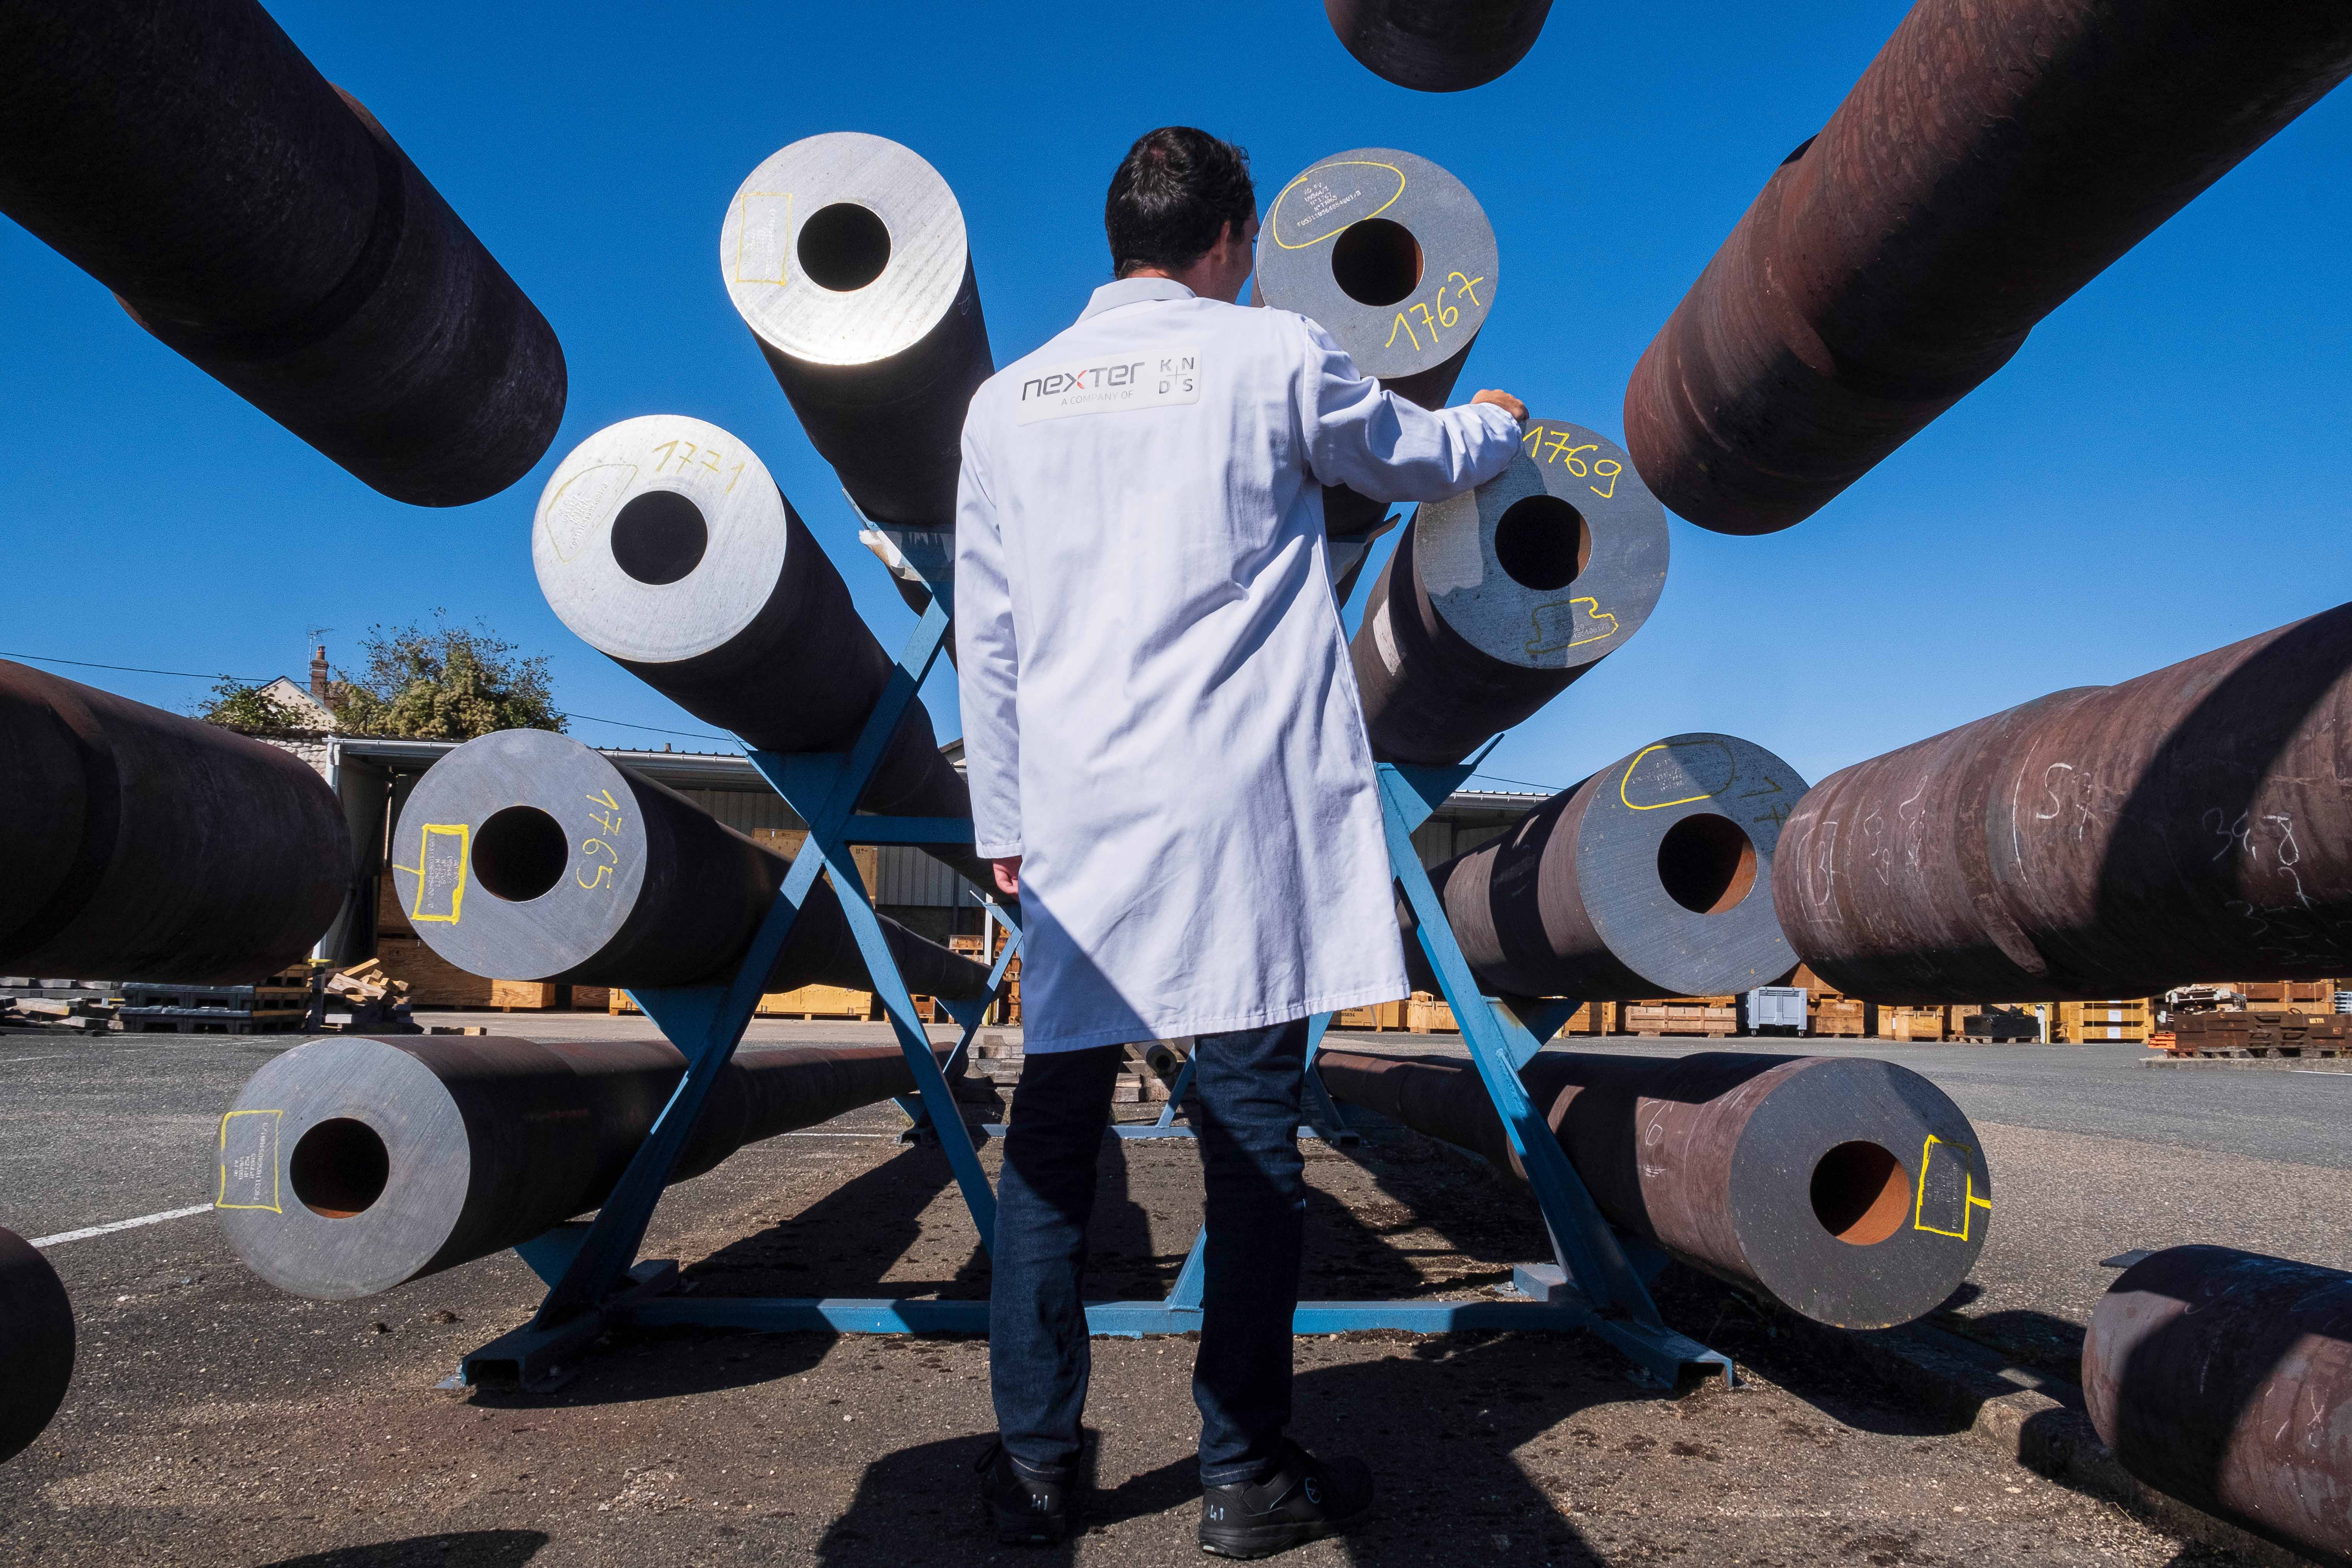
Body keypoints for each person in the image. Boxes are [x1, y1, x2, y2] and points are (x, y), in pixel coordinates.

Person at [953, 125, 1525, 1557]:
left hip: (1082, 823)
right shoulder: (1270, 353)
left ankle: (1035, 1467)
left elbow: (993, 636)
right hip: (1237, 814)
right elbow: (1409, 459)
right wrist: (1500, 425)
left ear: (1117, 238)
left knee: (1052, 1147)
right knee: (1252, 1142)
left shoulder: (1006, 404)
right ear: (1236, 237)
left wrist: (1004, 822)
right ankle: (1241, 1476)